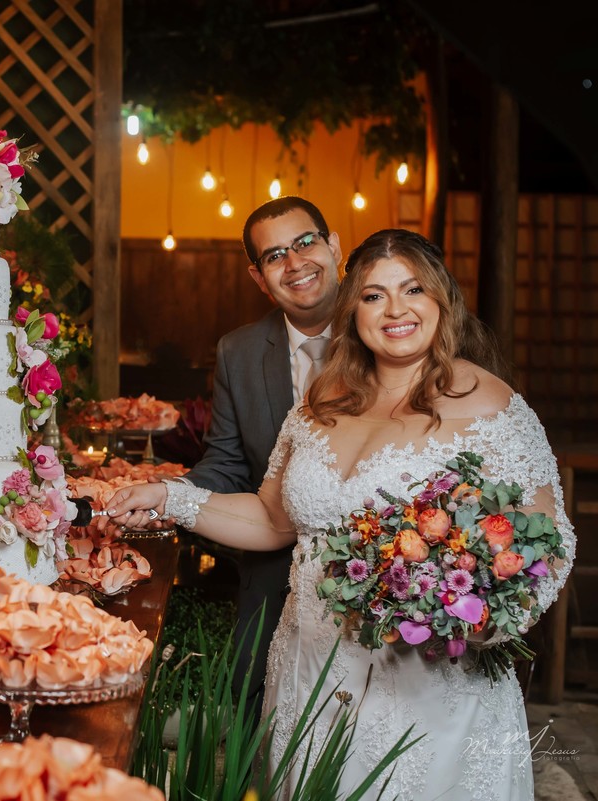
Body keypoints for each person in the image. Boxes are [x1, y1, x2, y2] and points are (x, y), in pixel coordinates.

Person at [108, 229, 575, 799]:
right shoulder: (322, 400)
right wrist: (170, 498)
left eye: (413, 290)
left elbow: (549, 545)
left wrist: (475, 620)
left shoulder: (490, 405)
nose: (396, 310)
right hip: (308, 670)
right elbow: (273, 519)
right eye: (375, 295)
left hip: (426, 685)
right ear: (353, 310)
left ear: (443, 300)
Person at [178, 196, 344, 719]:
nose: (295, 263)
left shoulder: (385, 330)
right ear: (258, 277)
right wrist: (172, 497)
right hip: (273, 584)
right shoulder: (239, 351)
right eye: (275, 256)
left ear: (334, 246)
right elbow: (226, 462)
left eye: (305, 243)